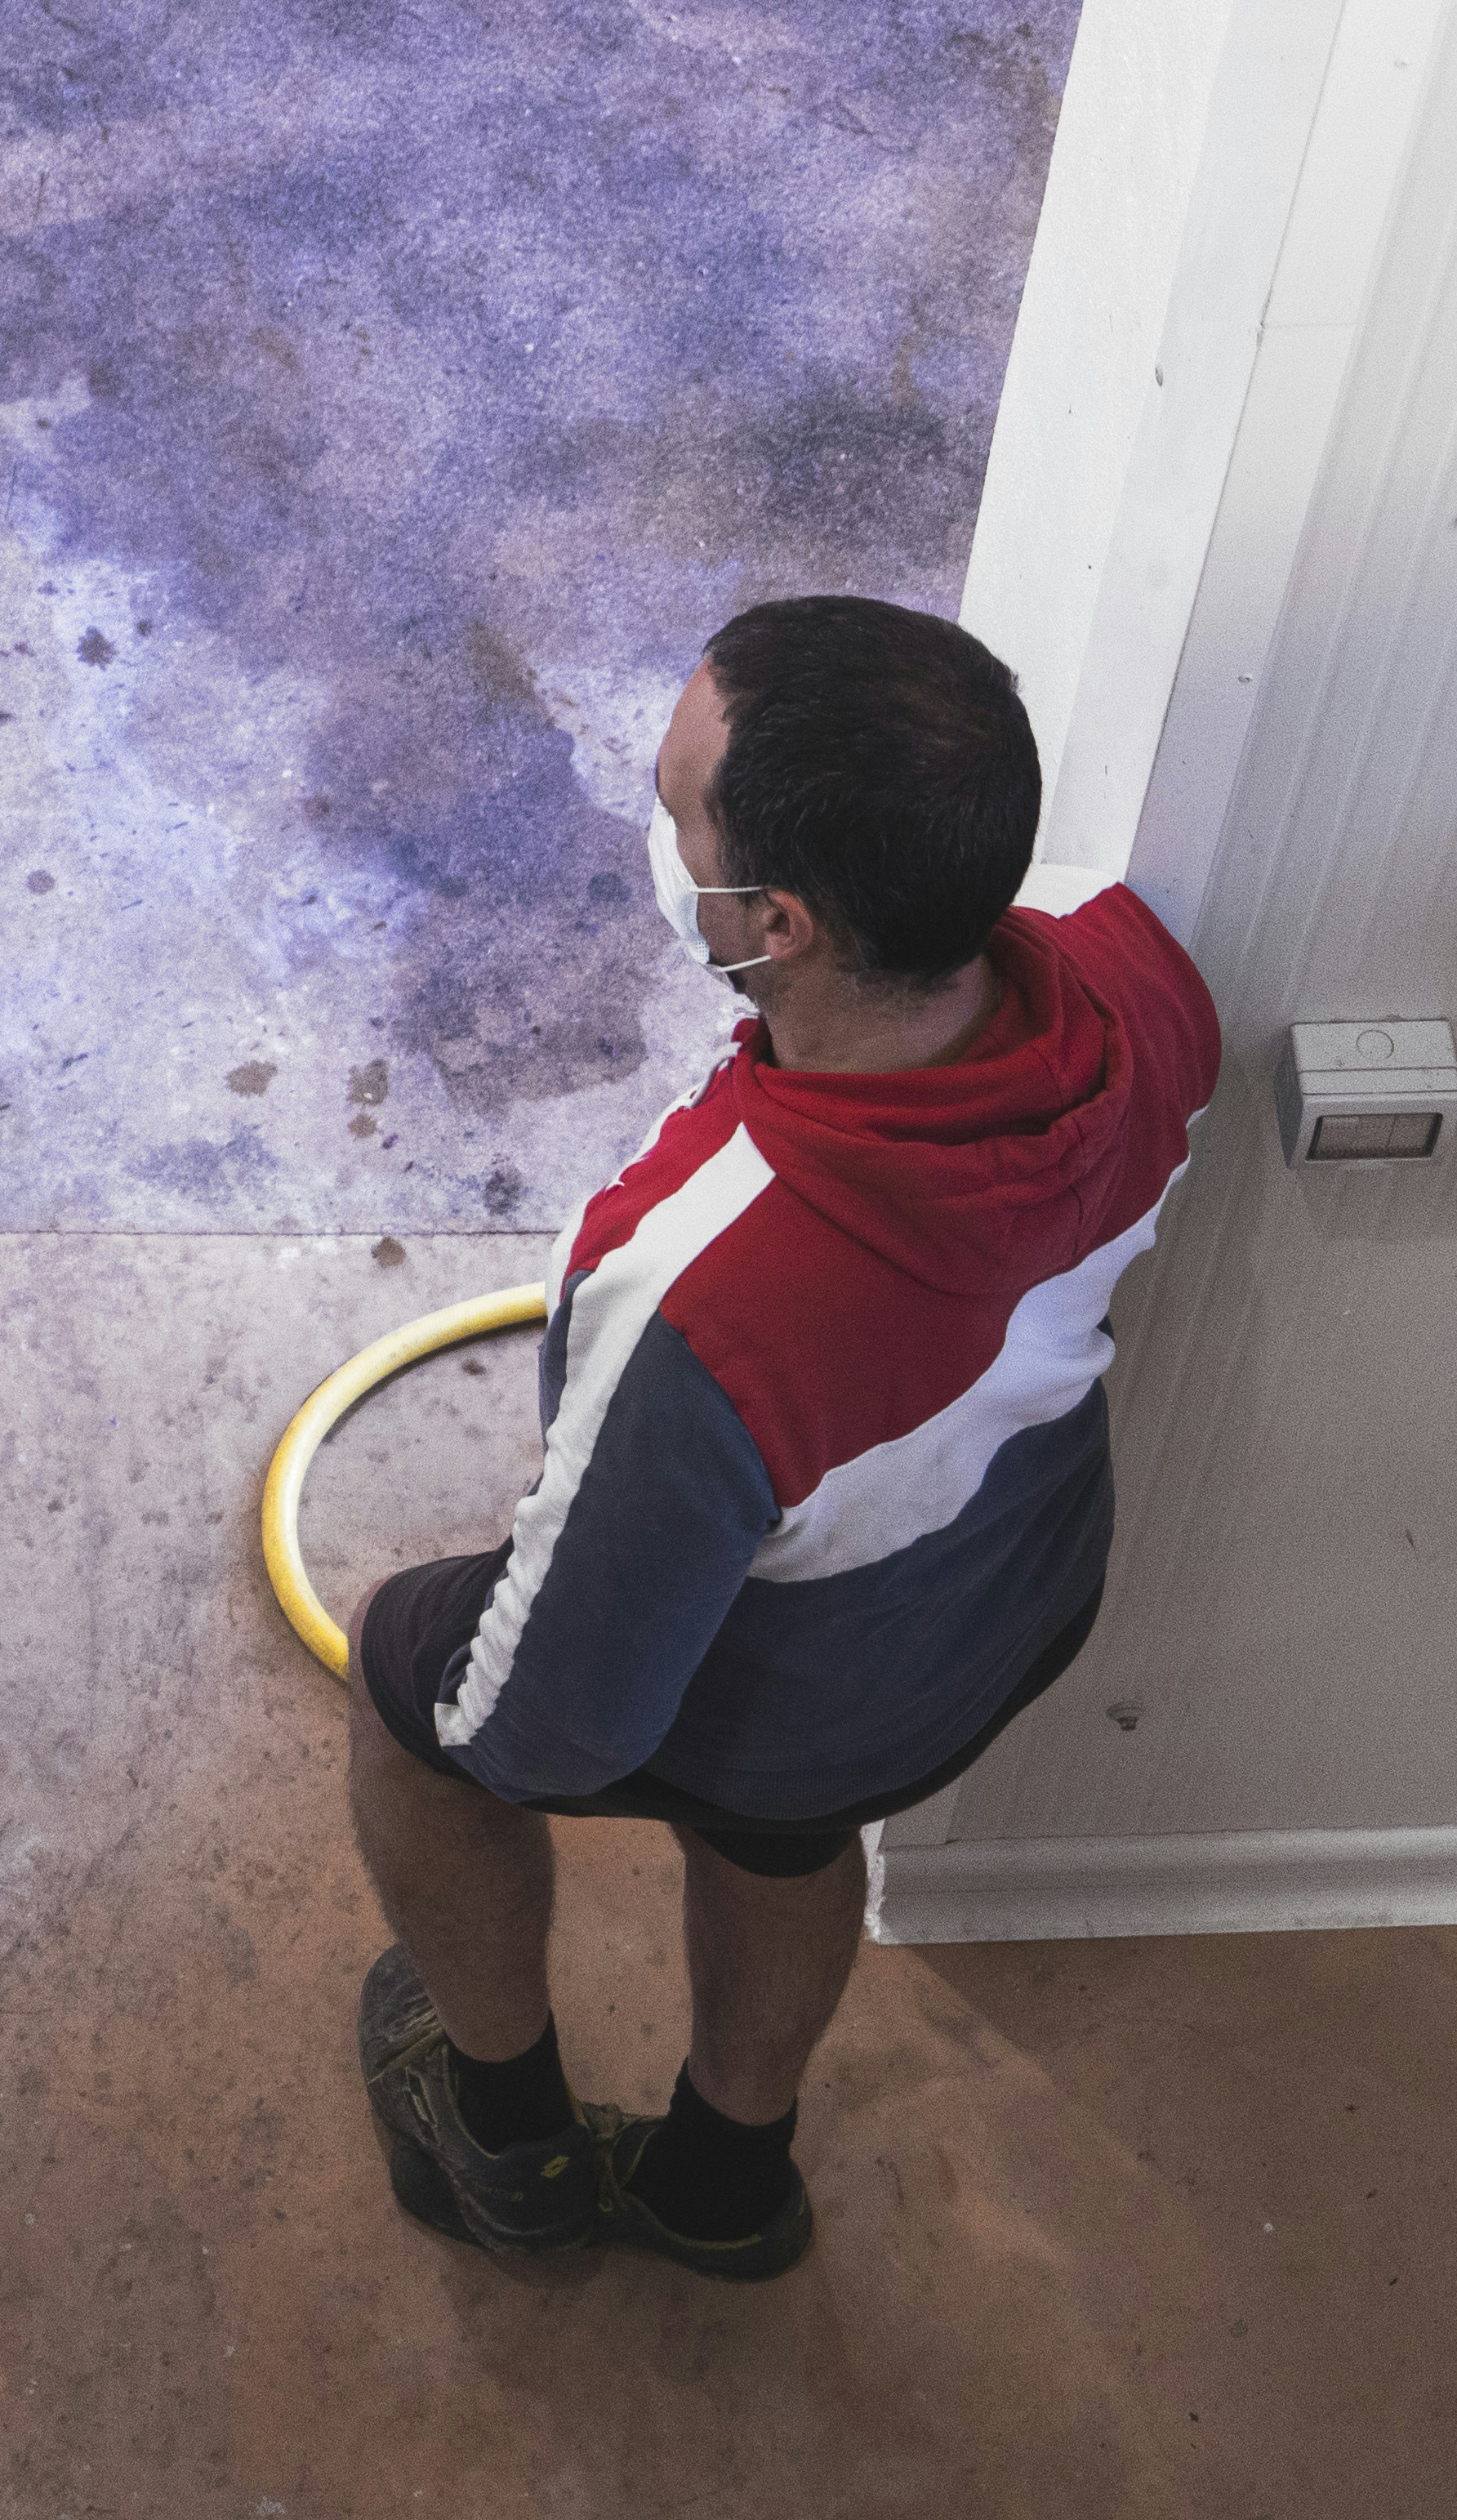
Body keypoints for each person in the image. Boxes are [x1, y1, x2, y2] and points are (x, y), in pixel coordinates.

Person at [346, 595, 1218, 2279]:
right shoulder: (1133, 991)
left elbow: (547, 1724)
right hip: (1017, 1584)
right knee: (790, 1825)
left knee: (414, 1694)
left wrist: (452, 1705)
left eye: (679, 809)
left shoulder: (704, 1285)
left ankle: (506, 2139)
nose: (655, 826)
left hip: (805, 1672)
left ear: (781, 922)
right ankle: (725, 2180)